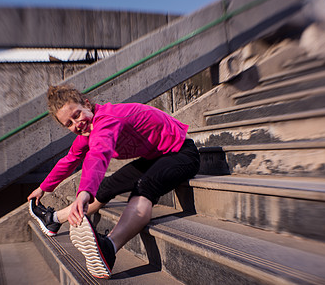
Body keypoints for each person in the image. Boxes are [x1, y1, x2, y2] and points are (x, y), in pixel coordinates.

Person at [28, 84, 200, 279]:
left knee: (144, 185)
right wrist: (43, 188)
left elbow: (98, 155)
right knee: (107, 186)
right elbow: (70, 160)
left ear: (87, 104)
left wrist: (84, 193)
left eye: (77, 115)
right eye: (69, 124)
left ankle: (110, 247)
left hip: (182, 153)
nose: (76, 124)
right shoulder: (88, 131)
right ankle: (53, 219)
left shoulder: (108, 119)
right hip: (155, 158)